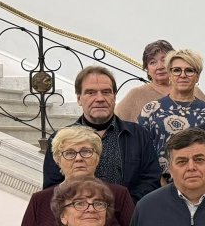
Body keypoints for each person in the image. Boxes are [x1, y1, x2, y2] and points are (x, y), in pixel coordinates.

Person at [20, 126, 134, 226]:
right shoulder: (39, 200)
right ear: (57, 160)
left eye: (86, 152)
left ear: (97, 157)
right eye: (70, 153)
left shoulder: (119, 195)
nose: (79, 158)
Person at [43, 65, 160, 201]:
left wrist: (123, 208)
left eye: (106, 92)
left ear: (114, 97)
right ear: (79, 99)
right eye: (91, 92)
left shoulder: (139, 135)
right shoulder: (59, 140)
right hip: (79, 218)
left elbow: (151, 181)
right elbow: (52, 189)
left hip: (128, 218)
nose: (99, 98)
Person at [138, 49, 205, 176]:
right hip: (156, 184)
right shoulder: (150, 110)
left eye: (189, 70)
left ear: (197, 76)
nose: (182, 75)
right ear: (169, 74)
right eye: (176, 70)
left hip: (196, 180)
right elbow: (140, 152)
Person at [115, 40, 205, 122]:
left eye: (163, 60)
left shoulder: (193, 90)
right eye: (152, 62)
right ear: (146, 68)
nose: (159, 67)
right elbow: (114, 125)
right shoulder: (136, 94)